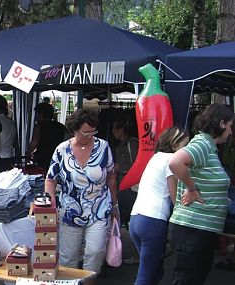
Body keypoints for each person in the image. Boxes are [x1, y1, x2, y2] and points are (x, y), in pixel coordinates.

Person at [45, 108, 117, 273]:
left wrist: (115, 206)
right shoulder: (62, 150)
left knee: (95, 252)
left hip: (99, 208)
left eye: (93, 132)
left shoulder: (103, 147)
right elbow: (50, 180)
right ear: (75, 129)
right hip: (70, 210)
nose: (90, 136)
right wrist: (50, 205)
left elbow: (112, 178)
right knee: (68, 257)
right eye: (85, 132)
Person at [168, 103, 233, 285]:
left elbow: (204, 177)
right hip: (192, 230)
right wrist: (192, 189)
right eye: (230, 126)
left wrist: (217, 196)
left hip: (199, 231)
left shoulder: (208, 146)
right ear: (221, 124)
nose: (230, 132)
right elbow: (175, 162)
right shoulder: (203, 143)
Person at [130, 127, 189, 285]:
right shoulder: (171, 160)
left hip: (136, 218)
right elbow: (174, 196)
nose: (187, 149)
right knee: (146, 275)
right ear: (175, 145)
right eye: (185, 145)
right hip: (153, 221)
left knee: (154, 272)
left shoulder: (156, 157)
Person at [26, 102, 67, 170]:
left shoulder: (39, 126)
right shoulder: (61, 126)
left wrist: (28, 153)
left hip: (42, 158)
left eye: (37, 114)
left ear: (41, 115)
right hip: (57, 157)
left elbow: (34, 144)